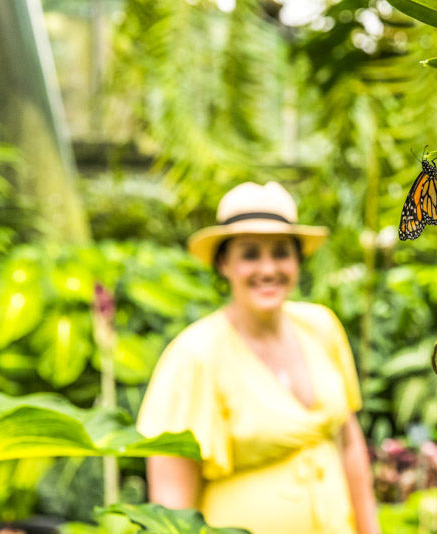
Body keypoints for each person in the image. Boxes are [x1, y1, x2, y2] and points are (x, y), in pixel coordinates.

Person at [136, 181, 380, 534]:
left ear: (298, 260)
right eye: (250, 254)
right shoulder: (194, 355)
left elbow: (348, 442)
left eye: (281, 252)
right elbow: (171, 504)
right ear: (224, 263)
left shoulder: (321, 327)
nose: (268, 269)